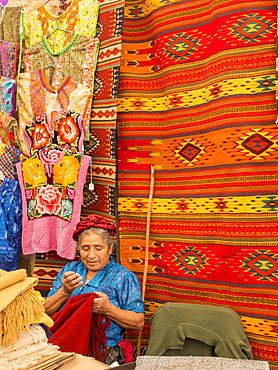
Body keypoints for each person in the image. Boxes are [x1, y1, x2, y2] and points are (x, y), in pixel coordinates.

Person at [44, 214, 144, 365]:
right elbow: (43, 313)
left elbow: (138, 323)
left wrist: (108, 309)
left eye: (98, 248)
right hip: (63, 346)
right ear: (78, 250)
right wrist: (65, 291)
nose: (91, 255)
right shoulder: (70, 270)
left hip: (103, 351)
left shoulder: (122, 277)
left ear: (110, 249)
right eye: (85, 248)